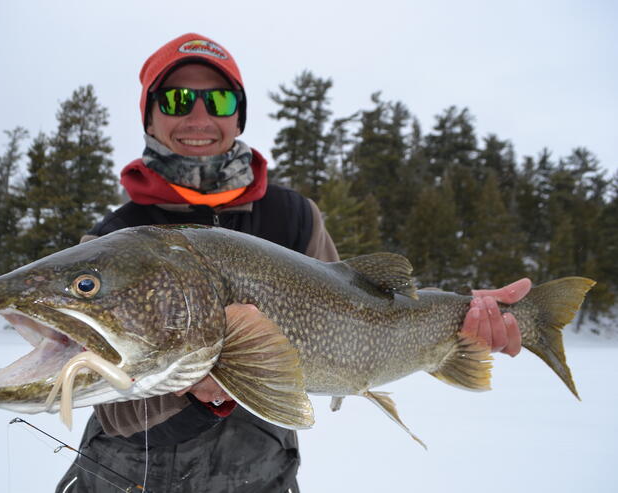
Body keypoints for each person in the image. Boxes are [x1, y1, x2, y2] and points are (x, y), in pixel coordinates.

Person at [56, 33, 529, 493]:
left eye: (219, 101)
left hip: (260, 477)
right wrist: (189, 393)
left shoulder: (294, 216)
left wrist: (457, 322)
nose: (198, 115)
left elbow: (361, 322)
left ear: (238, 118)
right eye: (177, 100)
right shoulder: (113, 241)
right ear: (150, 117)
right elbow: (100, 398)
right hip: (123, 479)